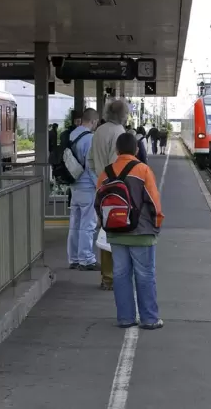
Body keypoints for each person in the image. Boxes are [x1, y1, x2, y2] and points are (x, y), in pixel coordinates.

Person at [95, 133, 164, 329]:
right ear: (136, 150)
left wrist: (105, 225)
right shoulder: (143, 170)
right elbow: (154, 202)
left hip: (116, 233)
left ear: (116, 150)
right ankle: (150, 319)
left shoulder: (106, 172)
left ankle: (125, 318)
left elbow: (98, 202)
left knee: (120, 275)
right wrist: (156, 225)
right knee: (145, 275)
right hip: (141, 232)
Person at [88, 99, 129, 290]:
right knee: (117, 229)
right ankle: (114, 277)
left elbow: (90, 160)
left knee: (104, 230)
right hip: (116, 187)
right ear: (123, 115)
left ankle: (106, 277)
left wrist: (99, 174)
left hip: (100, 185)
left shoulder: (99, 131)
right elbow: (118, 162)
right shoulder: (119, 132)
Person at [66, 108, 100, 270]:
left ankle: (73, 258)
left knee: (75, 223)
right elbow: (91, 166)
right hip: (87, 186)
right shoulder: (91, 139)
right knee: (88, 224)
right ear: (93, 122)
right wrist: (99, 185)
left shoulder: (71, 135)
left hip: (74, 185)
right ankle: (86, 259)